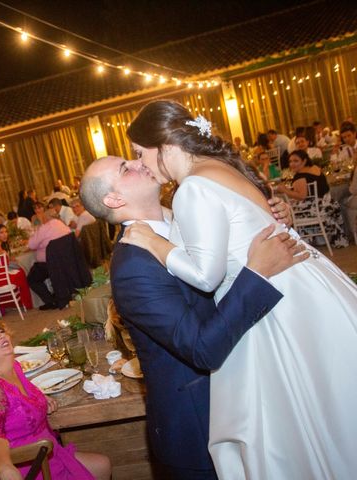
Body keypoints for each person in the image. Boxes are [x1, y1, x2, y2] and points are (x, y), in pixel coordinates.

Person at [123, 99, 357, 479]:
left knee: (294, 429)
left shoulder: (192, 188)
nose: (141, 163)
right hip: (298, 285)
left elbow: (205, 275)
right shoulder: (221, 168)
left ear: (163, 144)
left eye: (139, 153)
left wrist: (155, 244)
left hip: (273, 303)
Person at [80, 155, 305, 478]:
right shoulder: (133, 268)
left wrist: (269, 219)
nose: (138, 161)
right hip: (201, 430)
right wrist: (257, 273)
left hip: (246, 398)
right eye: (124, 168)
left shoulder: (184, 218)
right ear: (114, 199)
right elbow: (202, 348)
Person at [0, 320, 111, 480]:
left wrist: (38, 397)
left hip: (46, 450)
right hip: (24, 463)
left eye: (0, 332)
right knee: (101, 465)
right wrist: (5, 468)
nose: (0, 336)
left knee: (102, 464)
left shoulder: (13, 367)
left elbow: (18, 394)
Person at [275, 149, 348, 248]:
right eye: (290, 161)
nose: (292, 164)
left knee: (287, 213)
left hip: (315, 209)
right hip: (329, 203)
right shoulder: (315, 168)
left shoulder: (299, 176)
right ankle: (318, 239)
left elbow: (302, 196)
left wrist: (284, 190)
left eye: (296, 161)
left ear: (304, 161)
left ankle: (303, 242)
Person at [26, 209, 71, 310]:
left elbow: (31, 245)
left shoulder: (45, 228)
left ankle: (50, 301)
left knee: (32, 279)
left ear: (45, 218)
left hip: (49, 263)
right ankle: (57, 295)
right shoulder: (61, 224)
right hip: (66, 260)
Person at [0, 225, 33, 310]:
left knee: (20, 270)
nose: (5, 234)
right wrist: (1, 253)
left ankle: (20, 302)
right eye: (1, 232)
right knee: (21, 273)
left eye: (6, 232)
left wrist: (9, 258)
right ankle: (25, 303)